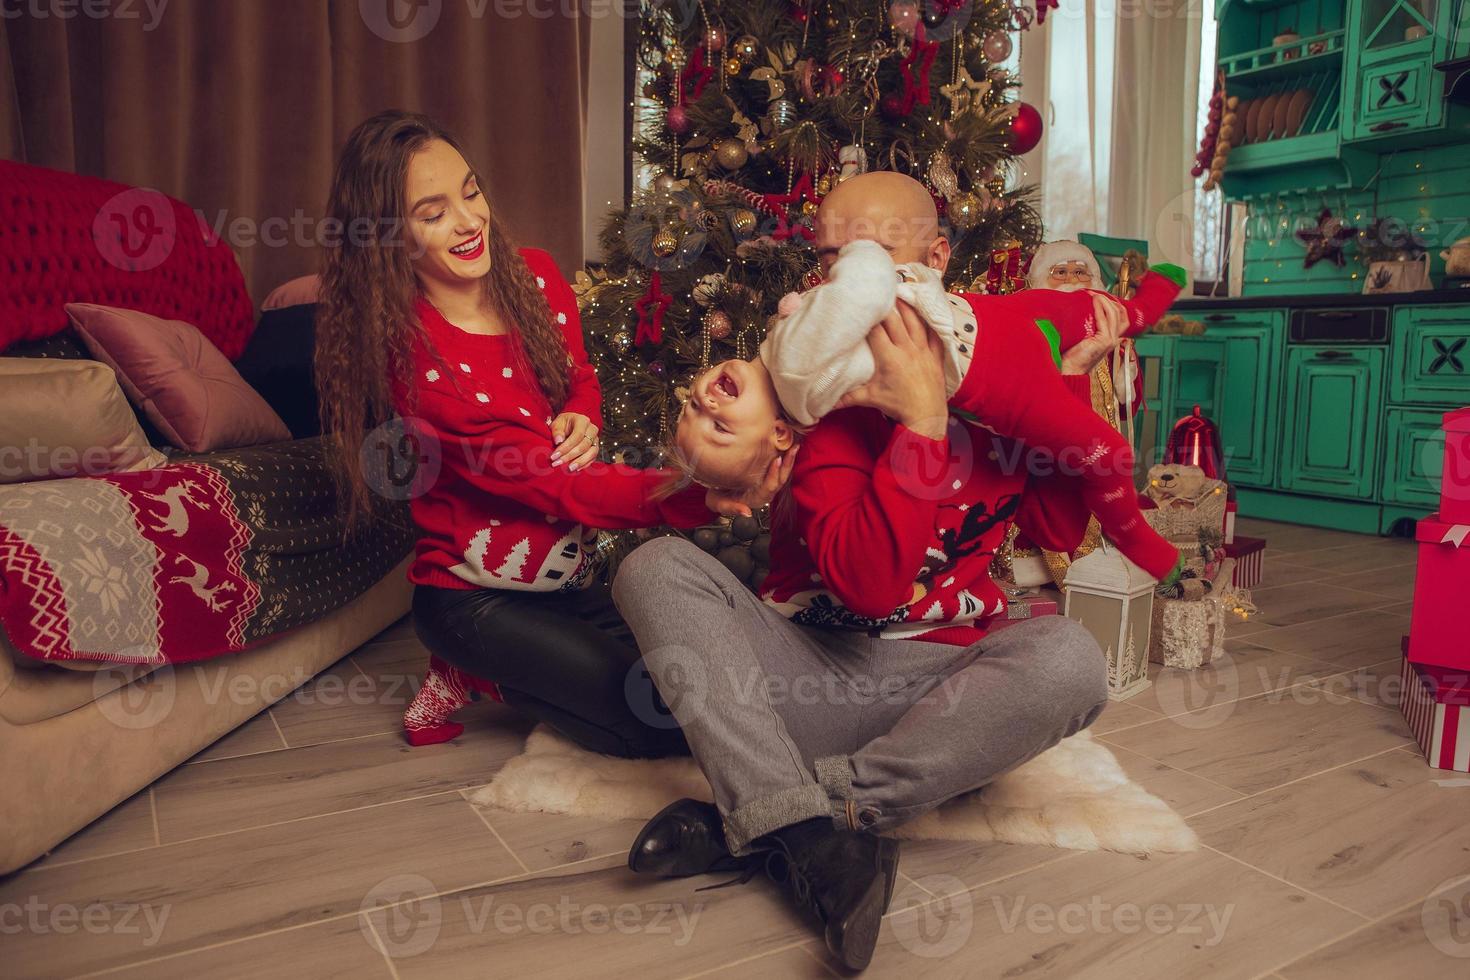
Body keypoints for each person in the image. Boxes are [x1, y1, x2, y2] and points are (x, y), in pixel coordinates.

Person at [610, 173, 1161, 972]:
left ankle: (792, 818)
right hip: (803, 680)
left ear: (934, 261)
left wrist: (1069, 377)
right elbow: (866, 583)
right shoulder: (830, 410)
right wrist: (922, 424)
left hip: (938, 703)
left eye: (873, 254)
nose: (848, 281)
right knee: (655, 567)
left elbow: (1055, 530)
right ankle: (803, 833)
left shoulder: (1007, 399)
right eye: (832, 261)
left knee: (1071, 659)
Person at [312, 111, 790, 758]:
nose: (469, 220)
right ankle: (474, 668)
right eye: (433, 212)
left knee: (701, 684)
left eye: (471, 191)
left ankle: (502, 669)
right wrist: (696, 496)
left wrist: (582, 414)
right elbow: (567, 488)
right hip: (474, 601)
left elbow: (578, 376)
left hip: (565, 575)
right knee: (663, 726)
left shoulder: (532, 277)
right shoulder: (426, 372)